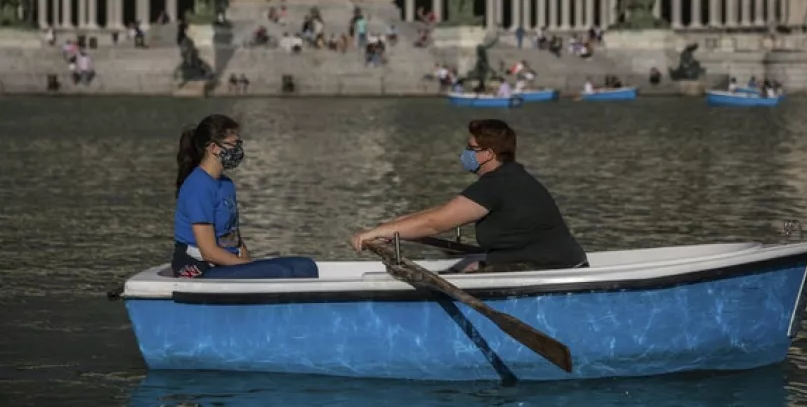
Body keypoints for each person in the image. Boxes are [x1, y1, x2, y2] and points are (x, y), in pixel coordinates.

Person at [351, 119, 588, 272]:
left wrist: (377, 232)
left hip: (555, 268)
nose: (465, 154)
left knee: (469, 269)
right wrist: (394, 226)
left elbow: (436, 224)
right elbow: (444, 211)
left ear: (487, 154)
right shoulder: (506, 177)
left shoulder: (498, 184)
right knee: (464, 267)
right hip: (543, 261)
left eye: (470, 148)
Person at [172, 114, 319, 279]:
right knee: (280, 272)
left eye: (239, 144)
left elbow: (236, 238)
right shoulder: (198, 186)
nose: (237, 150)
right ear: (213, 148)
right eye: (233, 145)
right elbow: (209, 252)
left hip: (225, 263)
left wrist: (248, 261)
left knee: (305, 266)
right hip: (199, 267)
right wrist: (249, 267)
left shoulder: (227, 184)